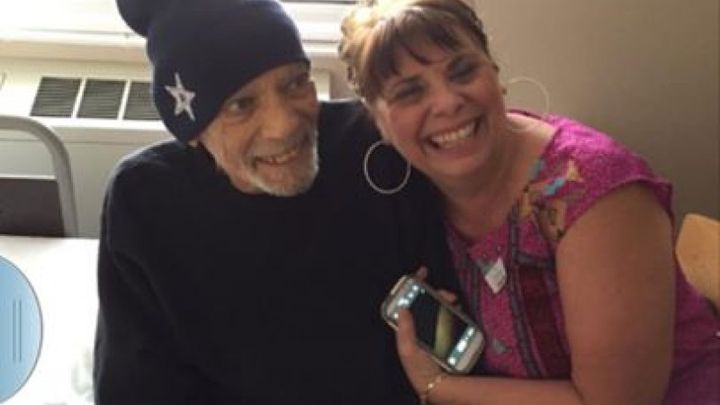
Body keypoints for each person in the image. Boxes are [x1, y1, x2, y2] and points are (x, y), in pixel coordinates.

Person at [338, 0, 720, 403]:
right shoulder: (412, 194)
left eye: (462, 71)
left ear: (494, 73)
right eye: (410, 92)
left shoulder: (594, 194)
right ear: (377, 122)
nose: (448, 102)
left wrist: (438, 386)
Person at [94, 0, 459, 403]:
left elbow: (455, 325)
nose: (283, 125)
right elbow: (133, 389)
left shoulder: (374, 148)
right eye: (241, 105)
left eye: (295, 83)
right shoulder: (146, 203)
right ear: (192, 129)